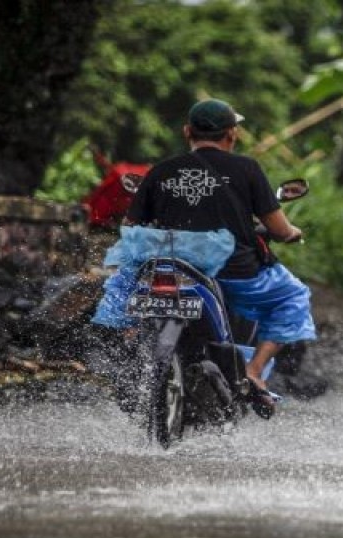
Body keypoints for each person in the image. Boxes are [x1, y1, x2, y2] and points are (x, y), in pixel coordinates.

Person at [92, 98, 315, 414]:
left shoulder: (162, 171)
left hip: (166, 266)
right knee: (294, 298)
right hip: (233, 273)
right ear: (232, 134)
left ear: (187, 132)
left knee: (123, 297)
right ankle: (253, 373)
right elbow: (278, 230)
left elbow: (131, 228)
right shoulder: (247, 169)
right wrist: (293, 232)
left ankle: (131, 357)